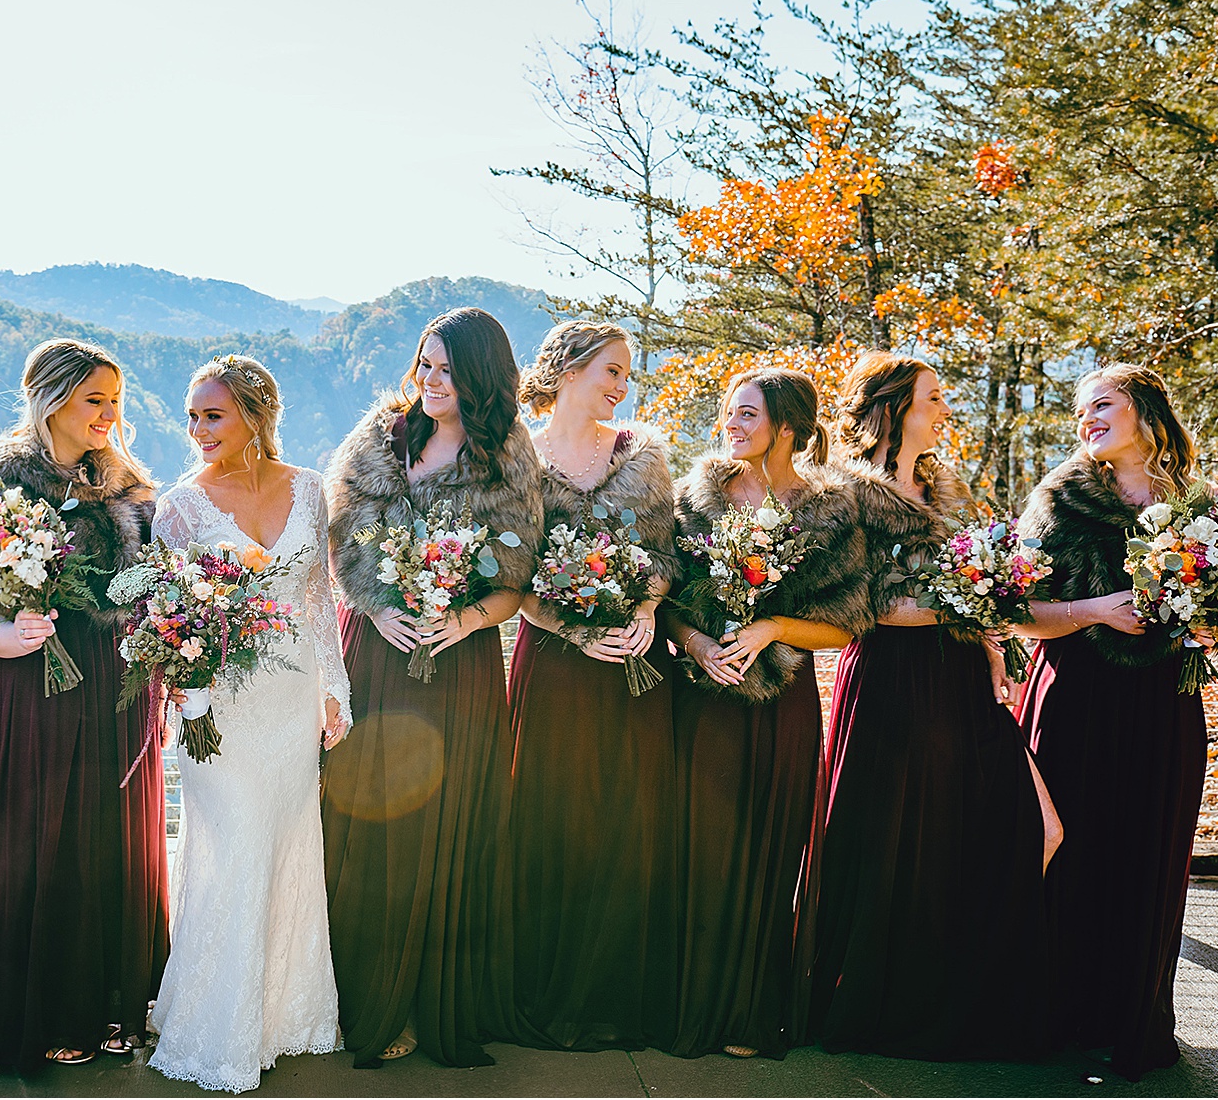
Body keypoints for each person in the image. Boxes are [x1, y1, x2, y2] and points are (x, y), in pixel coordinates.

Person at [807, 352, 1056, 1059]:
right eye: (933, 397)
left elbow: (967, 592)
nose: (944, 408)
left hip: (959, 678)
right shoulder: (845, 494)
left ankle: (964, 997)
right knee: (899, 843)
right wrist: (963, 604)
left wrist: (989, 652)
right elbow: (865, 608)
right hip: (892, 683)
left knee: (1020, 827)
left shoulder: (939, 487)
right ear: (892, 408)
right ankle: (891, 1010)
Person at [320, 307, 542, 1068]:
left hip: (458, 666)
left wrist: (469, 620)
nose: (430, 380)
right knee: (369, 821)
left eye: (447, 369)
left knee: (443, 827)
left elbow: (517, 583)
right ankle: (364, 1000)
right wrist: (377, 609)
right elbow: (341, 547)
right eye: (424, 364)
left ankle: (429, 999)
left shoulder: (509, 459)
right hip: (378, 657)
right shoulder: (378, 442)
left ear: (479, 376)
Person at [1012, 364, 1218, 1079]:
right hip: (1075, 697)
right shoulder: (1060, 501)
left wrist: (1216, 632)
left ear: (1147, 413)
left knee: (1150, 855)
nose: (1087, 420)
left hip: (1165, 705)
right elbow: (1018, 612)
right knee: (1075, 854)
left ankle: (1132, 1021)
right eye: (1081, 410)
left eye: (1101, 404)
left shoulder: (1205, 507)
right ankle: (1059, 1018)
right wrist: (1095, 611)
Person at [146, 355, 348, 1092]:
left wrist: (338, 689)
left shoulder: (312, 489)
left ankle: (283, 1017)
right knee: (233, 850)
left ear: (255, 415)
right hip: (221, 711)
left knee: (291, 846)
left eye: (213, 414)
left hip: (293, 699)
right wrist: (189, 694)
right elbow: (167, 617)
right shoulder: (179, 507)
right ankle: (219, 1030)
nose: (198, 430)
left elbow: (320, 598)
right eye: (193, 415)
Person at [0, 339, 167, 1076]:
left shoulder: (132, 485)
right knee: (41, 840)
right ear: (51, 398)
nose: (110, 414)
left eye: (115, 400)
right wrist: (9, 635)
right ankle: (48, 1008)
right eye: (95, 400)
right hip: (38, 678)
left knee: (114, 837)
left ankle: (122, 1002)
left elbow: (156, 585)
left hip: (118, 680)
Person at [661, 368, 867, 1060]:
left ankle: (752, 1014)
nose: (733, 424)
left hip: (783, 705)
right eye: (729, 413)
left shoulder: (830, 512)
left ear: (787, 428)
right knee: (703, 848)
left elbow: (844, 625)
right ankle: (689, 1008)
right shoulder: (695, 499)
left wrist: (772, 629)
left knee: (770, 854)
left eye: (748, 414)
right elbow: (665, 599)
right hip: (702, 700)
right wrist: (695, 644)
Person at [507, 322, 681, 1052]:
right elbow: (508, 577)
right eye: (612, 369)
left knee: (629, 828)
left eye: (627, 374)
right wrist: (574, 630)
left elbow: (669, 555)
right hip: (554, 667)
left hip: (637, 672)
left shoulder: (644, 457)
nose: (621, 385)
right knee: (553, 823)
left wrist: (644, 608)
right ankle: (543, 996)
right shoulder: (516, 459)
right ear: (570, 368)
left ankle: (623, 999)